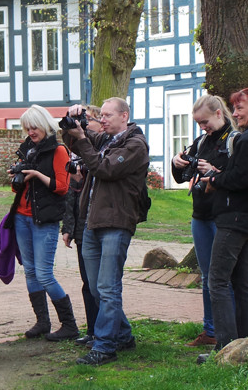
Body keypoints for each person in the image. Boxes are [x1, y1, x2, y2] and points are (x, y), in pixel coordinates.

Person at [62, 97, 150, 366]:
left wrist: (83, 140)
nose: (103, 120)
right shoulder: (106, 140)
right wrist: (73, 119)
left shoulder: (135, 145)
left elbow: (104, 167)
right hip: (92, 221)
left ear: (125, 116)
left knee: (108, 288)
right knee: (97, 288)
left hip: (116, 222)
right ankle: (122, 335)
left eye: (108, 116)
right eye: (101, 116)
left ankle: (104, 347)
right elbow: (74, 140)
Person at [201, 86, 248, 353]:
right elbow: (246, 174)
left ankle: (225, 346)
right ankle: (247, 344)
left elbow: (243, 178)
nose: (235, 113)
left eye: (240, 108)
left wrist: (215, 179)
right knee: (241, 283)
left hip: (234, 218)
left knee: (217, 281)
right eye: (234, 108)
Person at [171, 94, 237, 347]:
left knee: (222, 278)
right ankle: (210, 331)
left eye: (205, 121)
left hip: (222, 217)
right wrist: (177, 163)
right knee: (208, 276)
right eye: (198, 123)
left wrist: (214, 173)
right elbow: (181, 176)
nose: (202, 127)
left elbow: (239, 177)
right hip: (200, 216)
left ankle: (227, 333)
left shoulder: (234, 140)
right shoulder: (201, 142)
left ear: (219, 114)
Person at [10, 104, 79, 342]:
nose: (30, 131)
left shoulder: (58, 150)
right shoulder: (26, 149)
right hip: (22, 216)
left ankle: (69, 325)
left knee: (44, 273)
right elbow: (16, 188)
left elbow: (62, 187)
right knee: (29, 271)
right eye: (27, 128)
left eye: (34, 127)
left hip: (45, 220)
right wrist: (17, 176)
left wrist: (36, 174)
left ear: (44, 125)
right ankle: (42, 322)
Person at [61, 105, 103, 347]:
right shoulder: (77, 152)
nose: (83, 127)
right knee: (87, 282)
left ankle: (105, 331)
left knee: (100, 283)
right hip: (80, 225)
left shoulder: (102, 147)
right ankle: (92, 330)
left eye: (87, 122)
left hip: (97, 221)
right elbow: (71, 193)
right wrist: (67, 228)